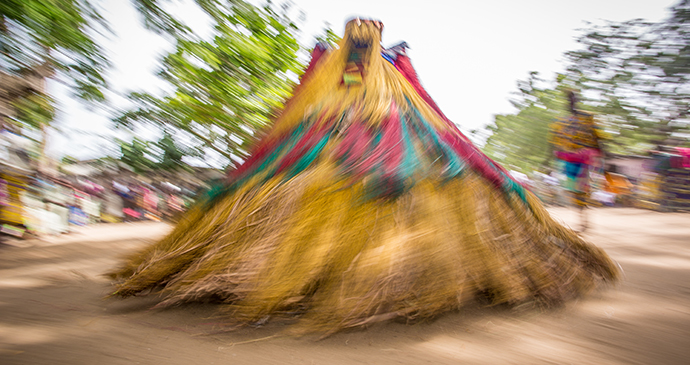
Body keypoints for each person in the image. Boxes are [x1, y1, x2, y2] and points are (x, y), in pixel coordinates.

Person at [110, 19, 618, 334]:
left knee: (386, 203)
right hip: (343, 153)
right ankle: (325, 284)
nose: (359, 49)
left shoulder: (385, 84)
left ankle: (578, 214)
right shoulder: (347, 81)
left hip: (381, 153)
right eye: (358, 42)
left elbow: (397, 98)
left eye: (364, 42)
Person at [549, 90, 604, 231]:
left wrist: (601, 154)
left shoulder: (587, 118)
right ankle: (582, 218)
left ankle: (584, 222)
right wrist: (551, 157)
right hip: (568, 159)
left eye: (573, 98)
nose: (571, 101)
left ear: (577, 100)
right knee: (573, 192)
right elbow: (554, 142)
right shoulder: (561, 122)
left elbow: (597, 136)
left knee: (582, 188)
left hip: (585, 159)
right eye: (569, 99)